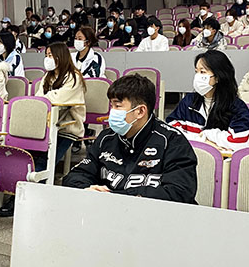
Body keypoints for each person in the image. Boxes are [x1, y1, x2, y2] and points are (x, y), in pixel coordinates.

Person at [63, 74, 197, 203]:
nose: (112, 112)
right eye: (111, 106)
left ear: (140, 111)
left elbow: (180, 193)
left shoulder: (172, 142)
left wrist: (117, 197)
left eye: (117, 106)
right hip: (109, 211)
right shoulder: (106, 138)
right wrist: (87, 189)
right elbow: (75, 176)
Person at [0, 43, 87, 218]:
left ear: (61, 56)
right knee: (24, 156)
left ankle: (21, 198)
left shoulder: (73, 77)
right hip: (43, 127)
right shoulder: (48, 76)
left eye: (51, 55)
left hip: (65, 128)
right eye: (46, 55)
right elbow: (39, 98)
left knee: (44, 161)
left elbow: (57, 98)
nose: (47, 59)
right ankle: (18, 193)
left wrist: (44, 99)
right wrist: (44, 99)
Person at [167, 50, 249, 152]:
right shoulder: (189, 101)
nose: (197, 76)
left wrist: (207, 134)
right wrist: (204, 141)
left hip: (224, 160)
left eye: (202, 72)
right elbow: (171, 130)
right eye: (196, 72)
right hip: (189, 157)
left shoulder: (237, 107)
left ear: (218, 77)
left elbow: (239, 143)